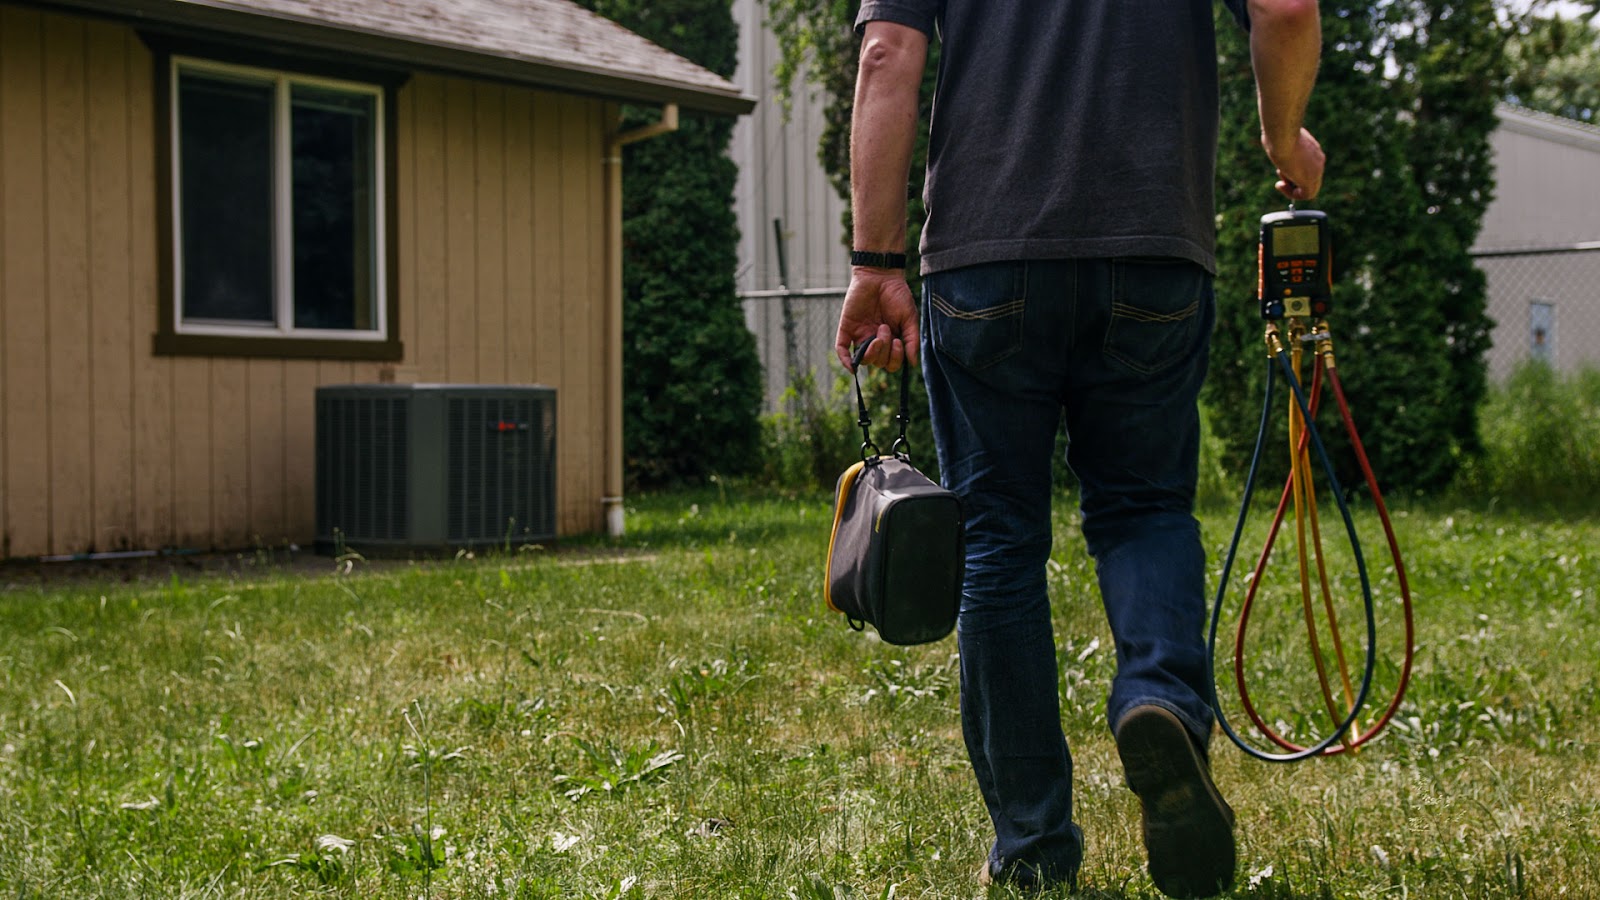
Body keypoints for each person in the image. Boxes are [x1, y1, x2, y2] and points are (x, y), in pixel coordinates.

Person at [833, 1, 1326, 896]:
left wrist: (875, 264)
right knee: (1143, 511)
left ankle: (1032, 849)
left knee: (999, 543)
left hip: (984, 256)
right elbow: (1286, 7)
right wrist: (1284, 140)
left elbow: (885, 56)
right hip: (1152, 246)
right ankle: (1158, 700)